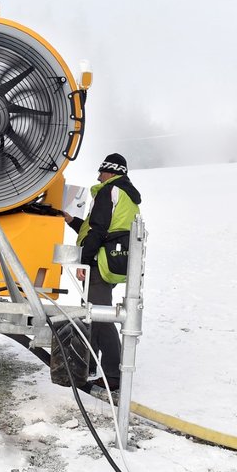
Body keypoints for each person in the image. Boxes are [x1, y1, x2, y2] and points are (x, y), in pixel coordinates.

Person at [63, 153, 142, 391]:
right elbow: (102, 228)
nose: (98, 176)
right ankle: (88, 366)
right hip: (113, 260)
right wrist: (71, 220)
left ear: (110, 171)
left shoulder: (109, 191)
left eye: (101, 172)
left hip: (100, 261)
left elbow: (97, 230)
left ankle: (113, 375)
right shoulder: (126, 195)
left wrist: (84, 262)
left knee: (100, 317)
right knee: (93, 314)